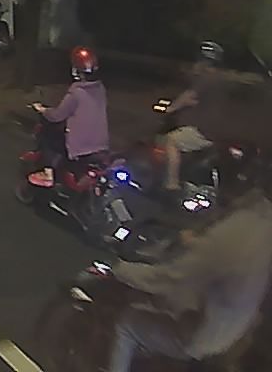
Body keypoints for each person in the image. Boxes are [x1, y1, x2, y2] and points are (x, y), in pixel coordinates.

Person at [106, 148, 272, 372]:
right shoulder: (262, 218)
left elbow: (167, 279)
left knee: (128, 323)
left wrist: (120, 269)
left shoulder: (230, 236)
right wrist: (196, 240)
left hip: (208, 335)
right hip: (240, 325)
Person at [28, 46, 110, 187]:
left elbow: (57, 116)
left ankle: (48, 174)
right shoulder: (100, 89)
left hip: (81, 145)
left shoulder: (76, 93)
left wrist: (43, 110)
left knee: (48, 137)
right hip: (100, 143)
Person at [161, 41, 227, 192]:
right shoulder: (218, 78)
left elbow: (188, 95)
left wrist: (171, 108)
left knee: (171, 141)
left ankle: (172, 184)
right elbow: (199, 99)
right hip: (215, 128)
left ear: (204, 60)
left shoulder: (206, 78)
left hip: (204, 129)